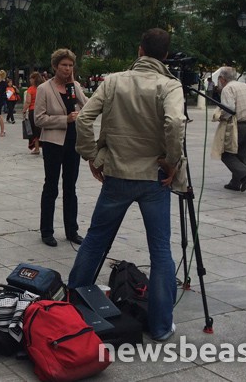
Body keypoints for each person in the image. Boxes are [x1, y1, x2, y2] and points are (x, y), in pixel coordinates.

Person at [67, 28, 185, 342]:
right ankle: (160, 326)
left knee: (94, 241)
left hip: (117, 173)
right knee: (160, 252)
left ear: (139, 50)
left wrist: (91, 155)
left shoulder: (115, 81)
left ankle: (72, 309)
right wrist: (172, 161)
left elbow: (83, 118)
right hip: (153, 177)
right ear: (165, 55)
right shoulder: (169, 84)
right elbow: (175, 122)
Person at [34, 49, 88, 246]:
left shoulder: (74, 87)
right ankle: (47, 230)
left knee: (70, 187)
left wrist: (74, 84)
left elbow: (87, 106)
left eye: (71, 65)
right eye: (64, 65)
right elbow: (39, 119)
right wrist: (64, 119)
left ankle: (71, 230)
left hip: (73, 141)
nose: (67, 69)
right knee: (51, 186)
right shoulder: (44, 89)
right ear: (55, 66)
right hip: (53, 142)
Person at [215, 66, 246, 192]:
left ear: (222, 79)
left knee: (225, 154)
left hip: (238, 125)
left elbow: (229, 108)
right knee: (242, 154)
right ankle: (236, 183)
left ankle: (245, 174)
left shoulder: (228, 88)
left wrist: (221, 117)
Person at [23, 71, 42, 155]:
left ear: (34, 79)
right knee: (42, 130)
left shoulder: (31, 89)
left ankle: (37, 148)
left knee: (35, 131)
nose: (30, 80)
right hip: (42, 110)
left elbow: (28, 101)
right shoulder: (42, 88)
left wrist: (24, 110)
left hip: (33, 110)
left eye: (31, 78)